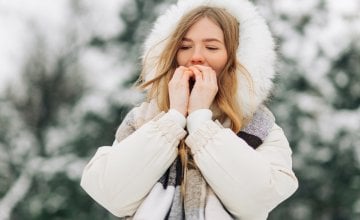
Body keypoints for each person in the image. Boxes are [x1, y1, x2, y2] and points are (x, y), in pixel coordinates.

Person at [80, 0, 298, 219]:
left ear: (237, 58)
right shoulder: (143, 119)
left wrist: (200, 121)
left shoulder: (259, 126)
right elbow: (111, 194)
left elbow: (256, 201)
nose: (196, 56)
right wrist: (173, 118)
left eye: (211, 47)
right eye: (184, 47)